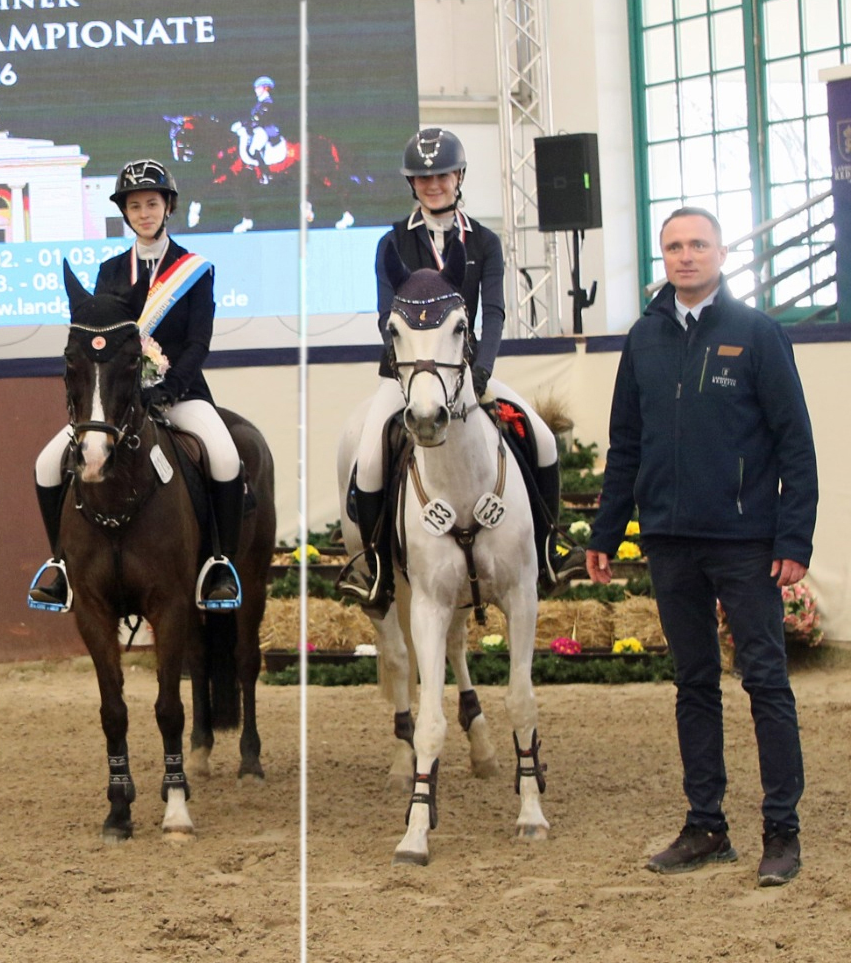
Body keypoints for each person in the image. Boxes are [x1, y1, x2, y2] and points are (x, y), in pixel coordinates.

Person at [586, 206, 817, 887]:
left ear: (720, 253)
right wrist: (607, 531)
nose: (686, 256)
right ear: (663, 258)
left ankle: (782, 831)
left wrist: (793, 537)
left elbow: (795, 445)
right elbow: (626, 444)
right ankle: (706, 826)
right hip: (669, 541)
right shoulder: (644, 339)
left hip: (745, 541)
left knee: (766, 682)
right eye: (674, 247)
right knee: (693, 684)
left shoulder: (758, 334)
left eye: (698, 245)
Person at [337, 127, 576, 611]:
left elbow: (495, 313)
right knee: (370, 456)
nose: (433, 185)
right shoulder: (392, 242)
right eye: (423, 178)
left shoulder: (484, 241)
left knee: (541, 438)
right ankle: (377, 568)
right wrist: (412, 376)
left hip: (468, 376)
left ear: (458, 177)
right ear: (412, 183)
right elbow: (386, 316)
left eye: (442, 175)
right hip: (407, 379)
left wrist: (481, 370)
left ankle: (548, 548)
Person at [29, 159, 244, 613]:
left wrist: (169, 388)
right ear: (125, 213)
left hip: (180, 395)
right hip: (117, 403)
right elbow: (101, 342)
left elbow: (198, 342)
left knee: (225, 456)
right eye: (134, 206)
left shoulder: (194, 270)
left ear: (168, 207)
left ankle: (219, 565)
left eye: (151, 203)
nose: (144, 213)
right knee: (47, 463)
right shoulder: (110, 271)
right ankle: (61, 565)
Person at [233, 75, 282, 183]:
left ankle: (266, 174)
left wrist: (242, 123)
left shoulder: (268, 103)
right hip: (259, 128)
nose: (255, 90)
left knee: (255, 147)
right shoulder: (259, 103)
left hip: (267, 129)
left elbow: (258, 118)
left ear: (265, 88)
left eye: (258, 88)